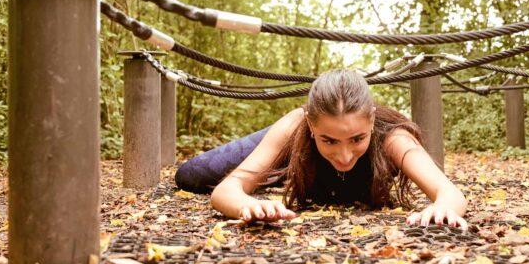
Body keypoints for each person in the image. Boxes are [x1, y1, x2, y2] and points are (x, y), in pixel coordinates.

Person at [175, 69, 469, 229]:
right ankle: (279, 169)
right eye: (329, 140)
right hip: (293, 149)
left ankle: (283, 170)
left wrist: (443, 209)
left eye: (357, 139)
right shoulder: (296, 125)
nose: (344, 155)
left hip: (308, 157)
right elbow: (225, 191)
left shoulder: (393, 138)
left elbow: (450, 193)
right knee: (191, 175)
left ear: (372, 122)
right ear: (313, 127)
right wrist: (247, 204)